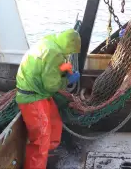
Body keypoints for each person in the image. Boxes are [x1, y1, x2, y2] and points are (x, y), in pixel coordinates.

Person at [16, 29, 81, 169]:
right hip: (32, 96)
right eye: (70, 52)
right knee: (41, 137)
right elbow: (51, 85)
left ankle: (48, 155)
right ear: (68, 46)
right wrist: (67, 79)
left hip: (40, 92)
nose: (69, 55)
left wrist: (61, 69)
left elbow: (45, 69)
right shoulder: (54, 53)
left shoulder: (50, 41)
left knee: (54, 122)